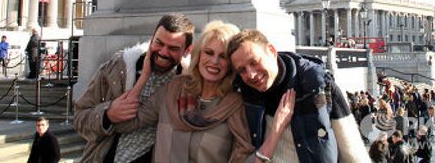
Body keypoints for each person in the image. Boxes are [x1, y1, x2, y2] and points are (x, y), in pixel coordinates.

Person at [113, 20, 282, 162]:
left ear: (231, 65)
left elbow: (243, 156)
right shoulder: (173, 89)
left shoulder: (236, 104)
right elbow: (125, 124)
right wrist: (143, 78)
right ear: (198, 55)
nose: (214, 62)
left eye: (222, 56)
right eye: (208, 52)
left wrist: (275, 132)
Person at [228, 28, 370, 162]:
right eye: (242, 70)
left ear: (271, 51)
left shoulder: (317, 83)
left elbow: (353, 151)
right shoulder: (245, 95)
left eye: (254, 62)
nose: (251, 74)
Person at [74, 14, 194, 163]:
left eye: (173, 48)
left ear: (187, 50)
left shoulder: (188, 85)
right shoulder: (118, 67)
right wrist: (107, 114)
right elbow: (80, 118)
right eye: (159, 43)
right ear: (152, 38)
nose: (163, 52)